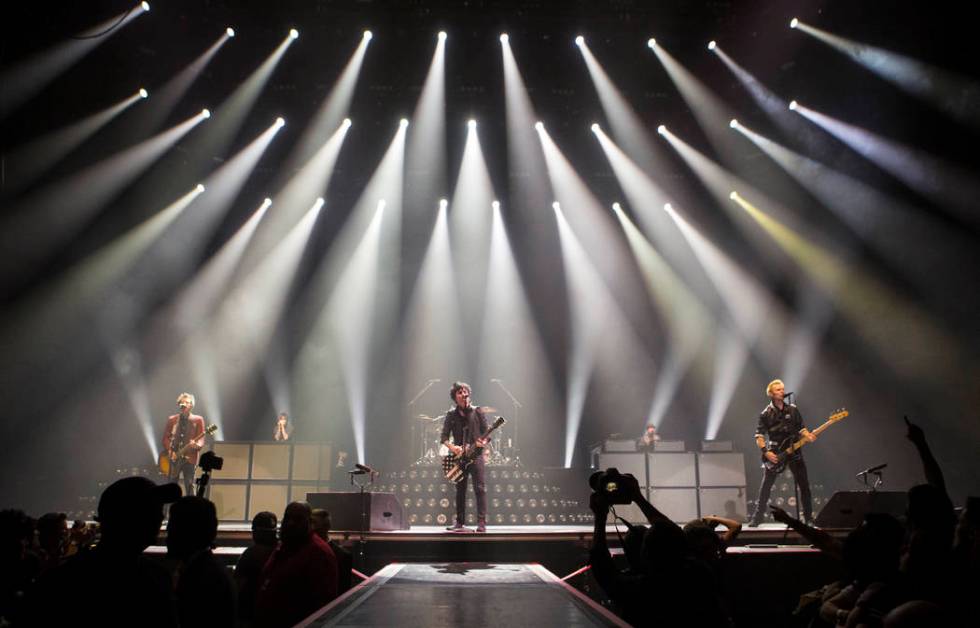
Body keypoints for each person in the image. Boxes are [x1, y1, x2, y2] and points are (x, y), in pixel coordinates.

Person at [23, 476, 181, 627]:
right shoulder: (156, 579)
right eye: (152, 510)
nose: (161, 517)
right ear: (128, 518)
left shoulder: (59, 581)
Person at [254, 502, 338, 628]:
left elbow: (321, 603)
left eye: (298, 519)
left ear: (310, 523)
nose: (291, 523)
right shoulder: (287, 545)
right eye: (287, 517)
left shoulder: (318, 553)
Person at [748, 379, 816, 526]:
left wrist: (807, 435)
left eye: (782, 389)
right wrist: (766, 452)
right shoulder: (765, 414)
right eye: (778, 390)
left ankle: (809, 518)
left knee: (804, 485)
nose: (782, 392)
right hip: (776, 452)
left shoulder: (792, 409)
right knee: (766, 486)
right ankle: (757, 517)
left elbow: (801, 428)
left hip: (794, 450)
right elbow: (759, 435)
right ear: (771, 394)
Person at [166, 496, 236, 628]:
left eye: (172, 528)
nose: (167, 537)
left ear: (187, 532)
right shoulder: (211, 572)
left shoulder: (202, 577)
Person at [440, 381, 489, 532]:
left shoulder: (477, 411)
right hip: (460, 457)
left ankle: (481, 523)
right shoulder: (451, 415)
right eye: (460, 392)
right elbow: (444, 437)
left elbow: (486, 432)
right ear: (455, 397)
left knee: (479, 488)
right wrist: (453, 447)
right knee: (460, 489)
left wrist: (483, 442)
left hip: (476, 456)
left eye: (465, 391)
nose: (463, 394)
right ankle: (459, 522)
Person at [162, 392, 206, 497]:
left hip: (189, 457)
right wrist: (169, 450)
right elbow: (165, 438)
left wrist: (196, 445)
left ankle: (192, 510)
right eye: (182, 402)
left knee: (190, 485)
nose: (184, 404)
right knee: (171, 486)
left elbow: (202, 438)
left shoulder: (198, 420)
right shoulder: (172, 419)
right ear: (179, 404)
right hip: (174, 457)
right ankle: (168, 510)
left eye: (187, 402)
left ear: (191, 405)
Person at [311, 509, 353, 595]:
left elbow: (343, 588)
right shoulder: (343, 554)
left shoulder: (343, 556)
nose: (312, 528)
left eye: (314, 523)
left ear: (326, 527)